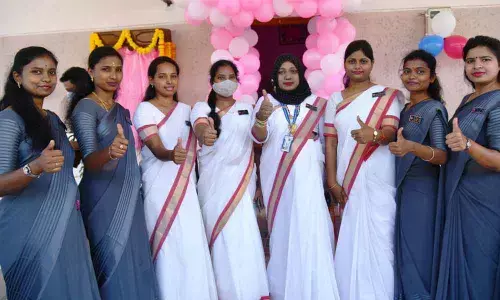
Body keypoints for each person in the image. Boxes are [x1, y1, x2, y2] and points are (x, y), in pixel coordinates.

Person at [0, 46, 100, 300]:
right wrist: (35, 167)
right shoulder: (9, 119)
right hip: (30, 229)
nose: (45, 78)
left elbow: (62, 163)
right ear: (17, 77)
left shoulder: (53, 119)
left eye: (51, 72)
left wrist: (100, 148)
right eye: (36, 72)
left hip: (67, 223)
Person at [69, 46, 158, 299]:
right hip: (101, 197)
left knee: (136, 255)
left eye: (118, 69)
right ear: (91, 71)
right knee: (111, 260)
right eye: (106, 69)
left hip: (129, 191)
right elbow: (89, 159)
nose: (113, 75)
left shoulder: (119, 108)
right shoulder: (86, 108)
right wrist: (109, 152)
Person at [251, 54, 339, 300]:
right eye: (281, 72)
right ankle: (283, 291)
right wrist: (261, 118)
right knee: (283, 229)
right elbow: (258, 138)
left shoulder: (318, 103)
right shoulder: (265, 102)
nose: (288, 76)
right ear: (275, 77)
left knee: (311, 227)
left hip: (310, 176)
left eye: (292, 71)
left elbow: (328, 142)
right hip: (276, 178)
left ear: (301, 75)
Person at [133, 56, 217, 300]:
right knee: (167, 245)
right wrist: (171, 154)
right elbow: (157, 148)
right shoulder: (144, 109)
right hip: (158, 189)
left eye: (173, 76)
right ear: (151, 80)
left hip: (186, 188)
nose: (169, 81)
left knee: (190, 242)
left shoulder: (187, 111)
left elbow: (201, 135)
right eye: (162, 76)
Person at [325, 40, 404, 300]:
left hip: (378, 174)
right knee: (350, 237)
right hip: (347, 177)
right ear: (344, 65)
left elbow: (392, 132)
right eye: (352, 61)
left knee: (381, 235)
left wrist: (376, 134)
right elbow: (331, 141)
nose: (357, 66)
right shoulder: (334, 99)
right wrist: (332, 182)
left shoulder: (387, 94)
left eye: (363, 61)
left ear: (372, 64)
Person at [191, 59, 269, 300]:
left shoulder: (248, 106)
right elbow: (200, 128)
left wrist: (262, 119)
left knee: (243, 236)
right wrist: (207, 135)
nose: (226, 82)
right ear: (212, 82)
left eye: (231, 77)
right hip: (213, 185)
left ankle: (250, 292)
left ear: (237, 81)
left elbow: (259, 139)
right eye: (220, 77)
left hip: (242, 183)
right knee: (219, 238)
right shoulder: (201, 107)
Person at [436, 35, 500, 300]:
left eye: (485, 59)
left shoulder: (497, 101)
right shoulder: (468, 98)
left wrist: (467, 144)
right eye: (470, 60)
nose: (477, 65)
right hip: (459, 194)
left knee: (481, 265)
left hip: (485, 199)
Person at [389, 50, 448, 300]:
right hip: (400, 189)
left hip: (422, 191)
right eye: (408, 70)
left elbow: (442, 156)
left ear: (432, 78)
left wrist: (412, 147)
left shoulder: (433, 110)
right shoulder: (402, 108)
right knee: (402, 252)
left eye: (421, 71)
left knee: (418, 253)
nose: (413, 76)